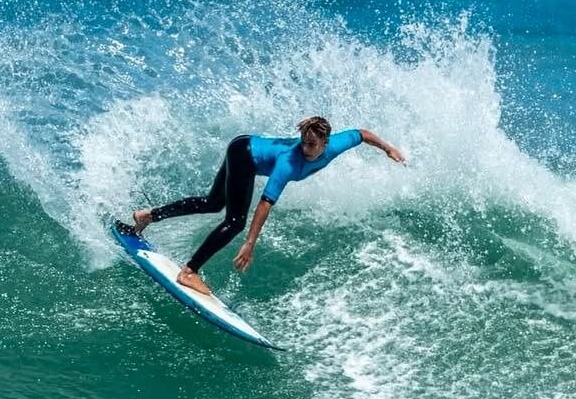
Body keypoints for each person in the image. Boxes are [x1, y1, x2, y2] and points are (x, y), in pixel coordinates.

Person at [129, 116, 406, 295]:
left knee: (212, 203)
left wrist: (388, 148)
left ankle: (148, 216)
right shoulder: (289, 161)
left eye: (311, 144)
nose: (306, 148)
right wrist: (249, 243)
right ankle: (189, 272)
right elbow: (265, 203)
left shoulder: (336, 144)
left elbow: (361, 133)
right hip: (244, 155)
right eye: (303, 142)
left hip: (243, 144)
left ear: (325, 142)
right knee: (234, 221)